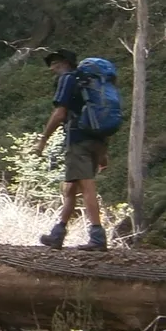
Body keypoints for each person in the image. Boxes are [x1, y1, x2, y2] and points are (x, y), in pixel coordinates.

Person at [35, 49, 110, 250]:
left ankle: (97, 237)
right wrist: (103, 152)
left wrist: (43, 140)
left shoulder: (68, 79)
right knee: (70, 188)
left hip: (79, 139)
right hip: (97, 139)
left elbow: (60, 113)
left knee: (86, 188)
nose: (52, 68)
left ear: (66, 63)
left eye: (55, 63)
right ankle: (58, 234)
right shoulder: (92, 83)